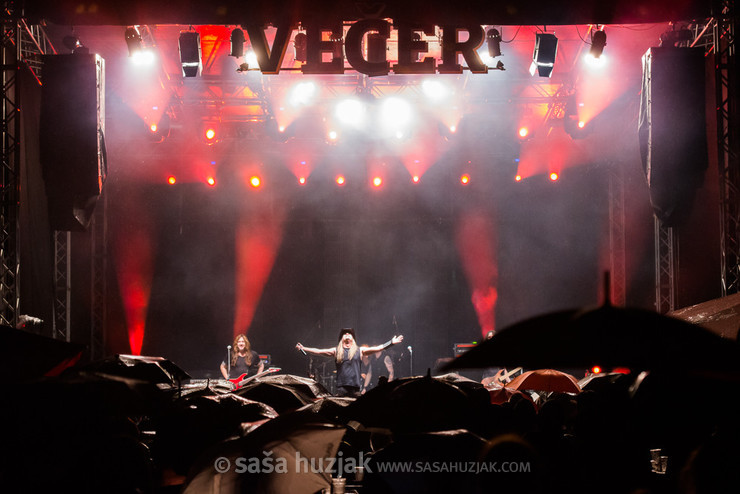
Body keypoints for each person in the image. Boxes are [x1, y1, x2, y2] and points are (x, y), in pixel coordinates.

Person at [296, 328, 404, 397]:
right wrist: (304, 348)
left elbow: (378, 348)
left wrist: (391, 343)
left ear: (353, 338)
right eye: (345, 334)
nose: (347, 334)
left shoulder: (360, 350)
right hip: (341, 389)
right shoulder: (336, 350)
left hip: (355, 389)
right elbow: (318, 351)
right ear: (341, 339)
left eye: (349, 333)